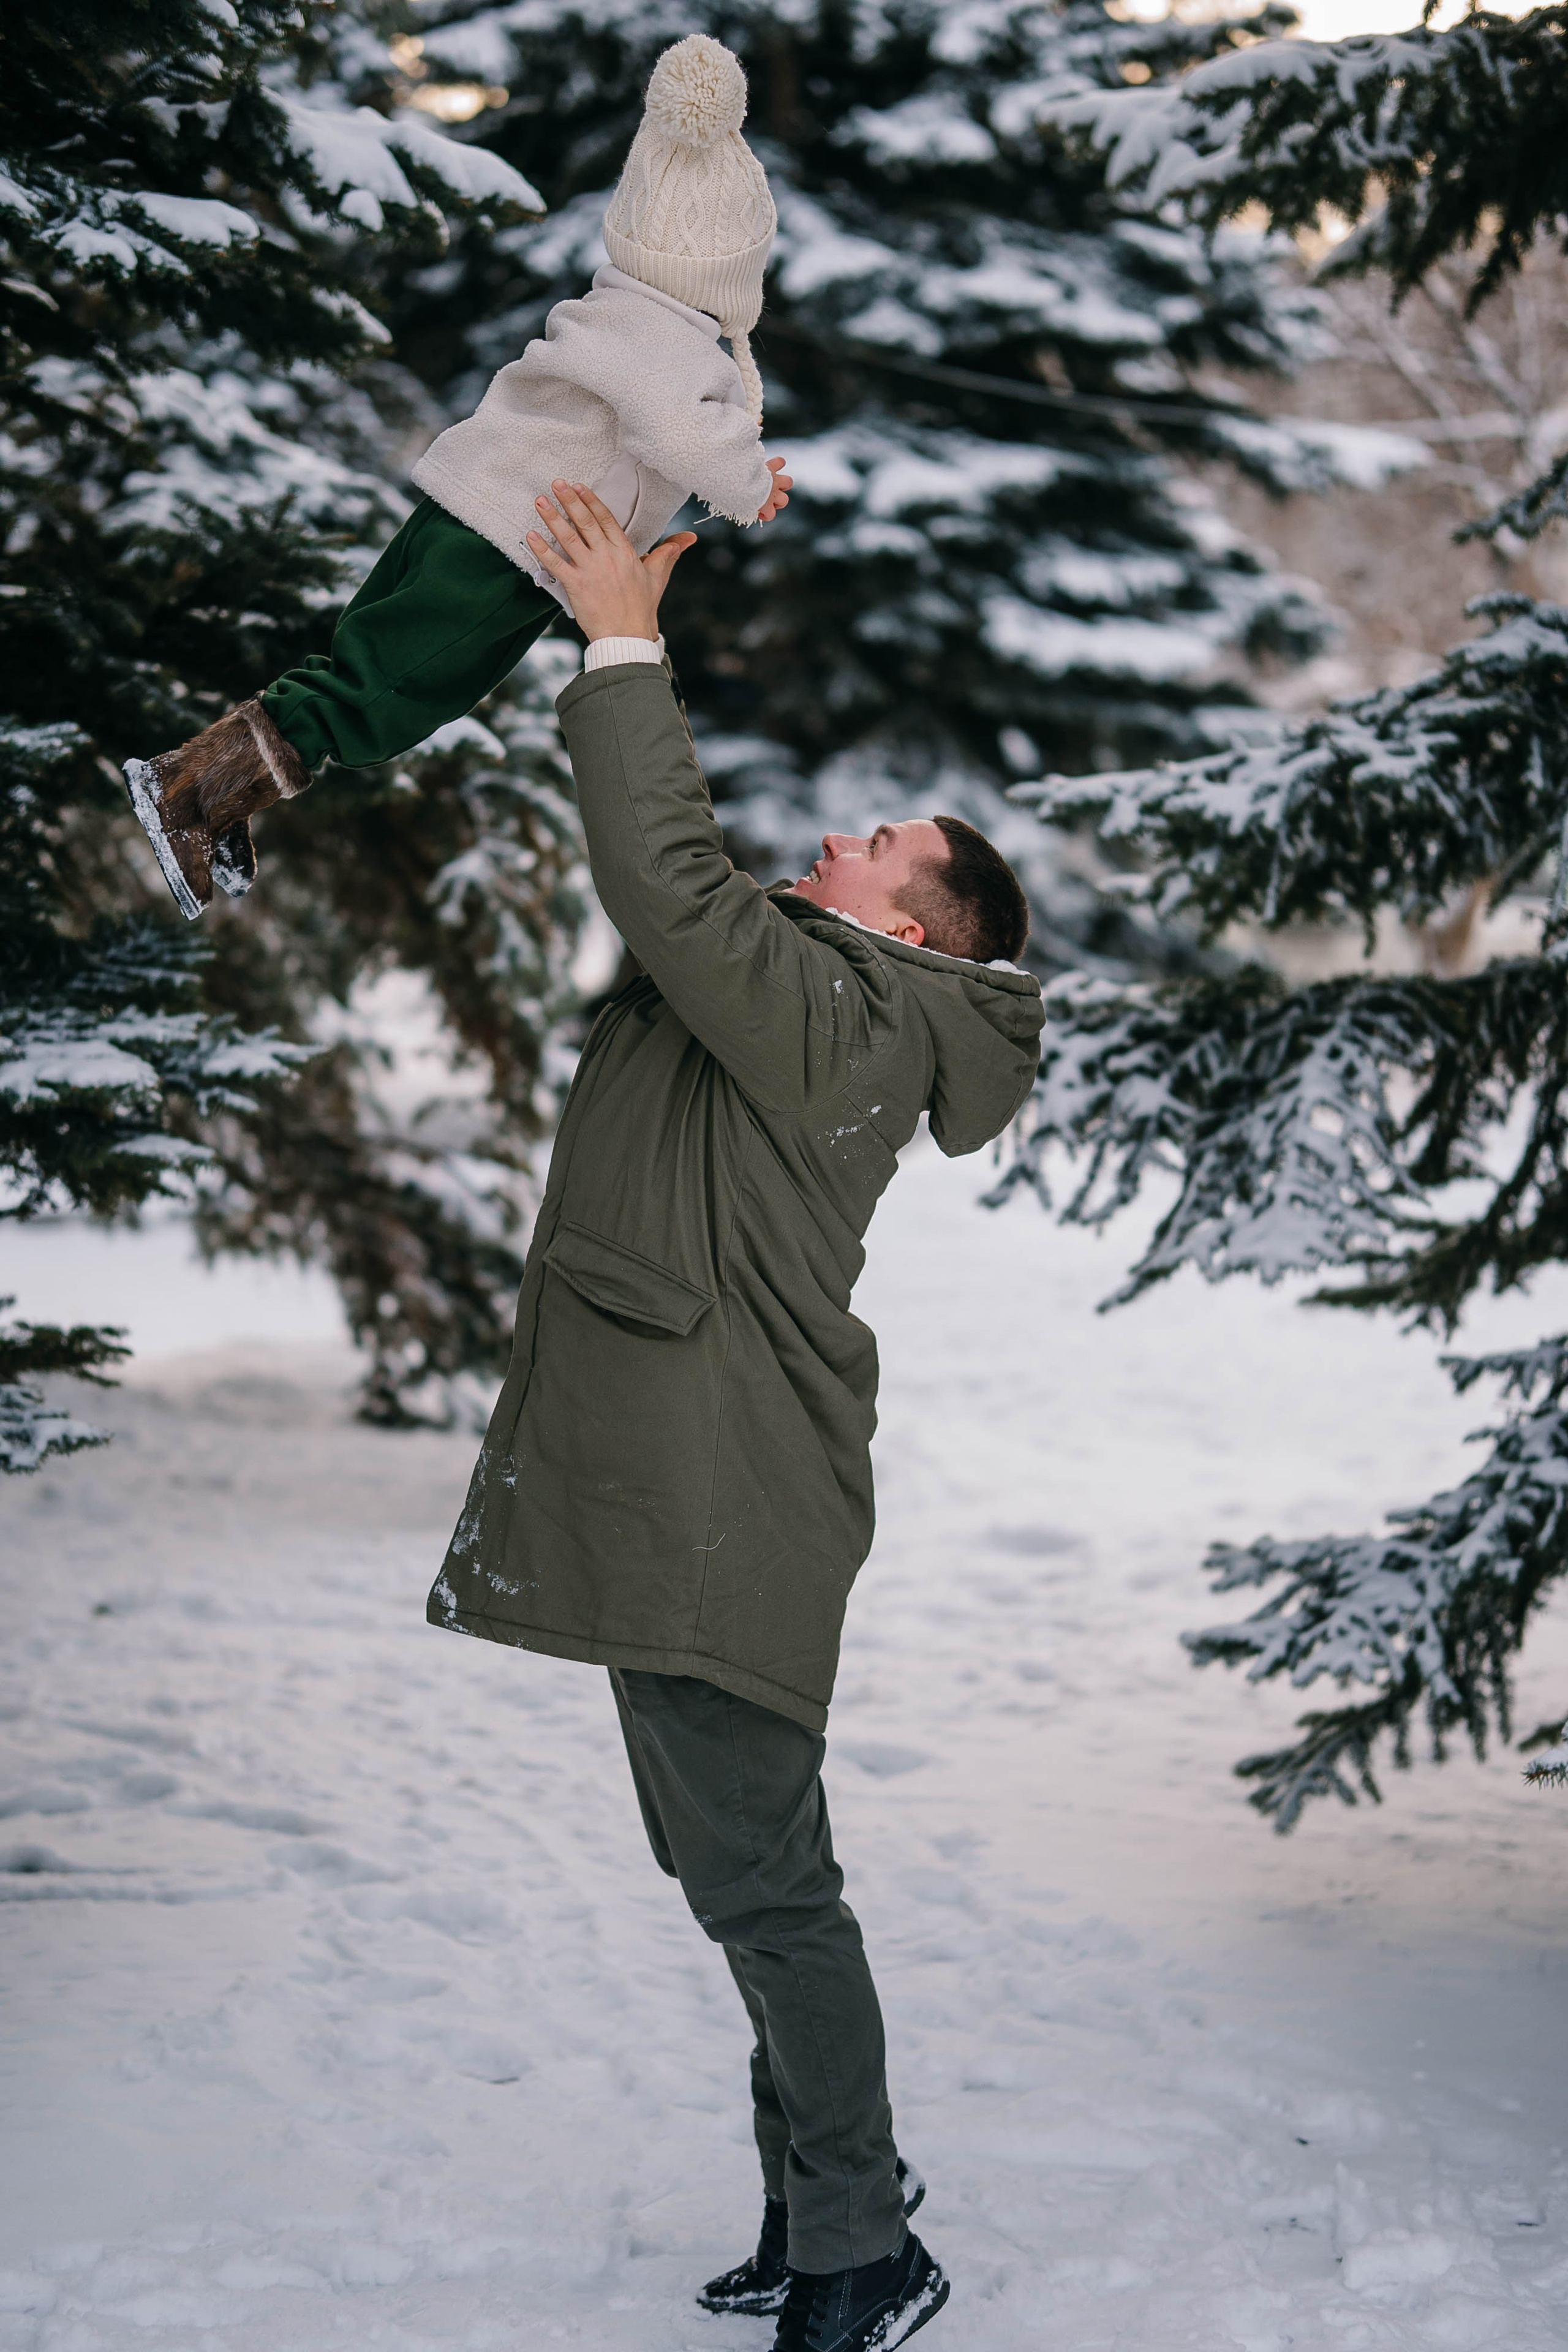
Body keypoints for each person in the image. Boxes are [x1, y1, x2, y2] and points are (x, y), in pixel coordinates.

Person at [427, 476, 1045, 2350]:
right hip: (681, 1484)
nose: (842, 833)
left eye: (880, 842)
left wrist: (630, 639)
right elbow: (684, 917)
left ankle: (867, 2248)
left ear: (922, 936)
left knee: (773, 1895)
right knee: (739, 1879)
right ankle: (815, 2200)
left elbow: (668, 879)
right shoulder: (826, 988)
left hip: (721, 1500)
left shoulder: (849, 1018)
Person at [119, 34, 790, 919]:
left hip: (465, 508)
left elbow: (661, 422)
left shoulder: (615, 305)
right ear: (729, 274)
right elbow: (678, 427)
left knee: (361, 661)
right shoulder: (672, 341)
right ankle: (191, 795)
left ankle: (220, 786)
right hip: (509, 545)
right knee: (387, 698)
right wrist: (748, 485)